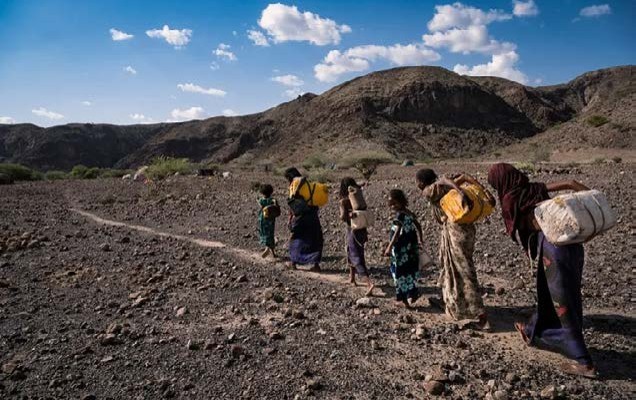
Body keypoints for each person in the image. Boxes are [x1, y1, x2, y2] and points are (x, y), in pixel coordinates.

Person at [487, 163, 597, 379]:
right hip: (572, 245)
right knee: (551, 295)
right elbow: (570, 183)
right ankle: (533, 330)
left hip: (553, 249)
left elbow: (519, 228)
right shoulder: (533, 188)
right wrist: (592, 200)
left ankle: (584, 361)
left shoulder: (510, 199)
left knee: (562, 303)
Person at [416, 169, 494, 330]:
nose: (416, 184)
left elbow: (444, 179)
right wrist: (485, 191)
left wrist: (461, 192)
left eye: (417, 181)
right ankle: (449, 301)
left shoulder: (430, 190)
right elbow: (464, 176)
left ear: (422, 182)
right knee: (449, 266)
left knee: (464, 271)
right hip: (466, 230)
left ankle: (481, 316)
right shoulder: (444, 188)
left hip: (455, 232)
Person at [384, 189, 423, 308]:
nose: (392, 206)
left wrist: (389, 247)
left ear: (401, 201)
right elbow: (418, 225)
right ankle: (413, 293)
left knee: (399, 273)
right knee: (410, 271)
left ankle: (404, 300)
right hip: (411, 248)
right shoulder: (408, 212)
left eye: (394, 203)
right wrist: (420, 239)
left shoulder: (400, 215)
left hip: (401, 249)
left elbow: (396, 233)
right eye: (390, 204)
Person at [339, 177, 375, 296]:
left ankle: (368, 283)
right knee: (355, 253)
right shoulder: (357, 197)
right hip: (362, 229)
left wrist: (344, 212)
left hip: (352, 230)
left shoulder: (344, 201)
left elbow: (343, 217)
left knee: (355, 256)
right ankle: (352, 278)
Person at [284, 167, 324, 272]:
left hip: (301, 217)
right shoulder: (308, 185)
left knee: (296, 238)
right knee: (314, 239)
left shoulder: (294, 185)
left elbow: (293, 205)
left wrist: (290, 219)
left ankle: (293, 262)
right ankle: (316, 265)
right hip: (313, 216)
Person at [257, 184, 277, 258]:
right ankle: (273, 252)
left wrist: (257, 200)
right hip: (271, 219)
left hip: (263, 219)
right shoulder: (272, 200)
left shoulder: (262, 200)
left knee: (264, 233)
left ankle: (267, 247)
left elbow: (260, 205)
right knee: (271, 233)